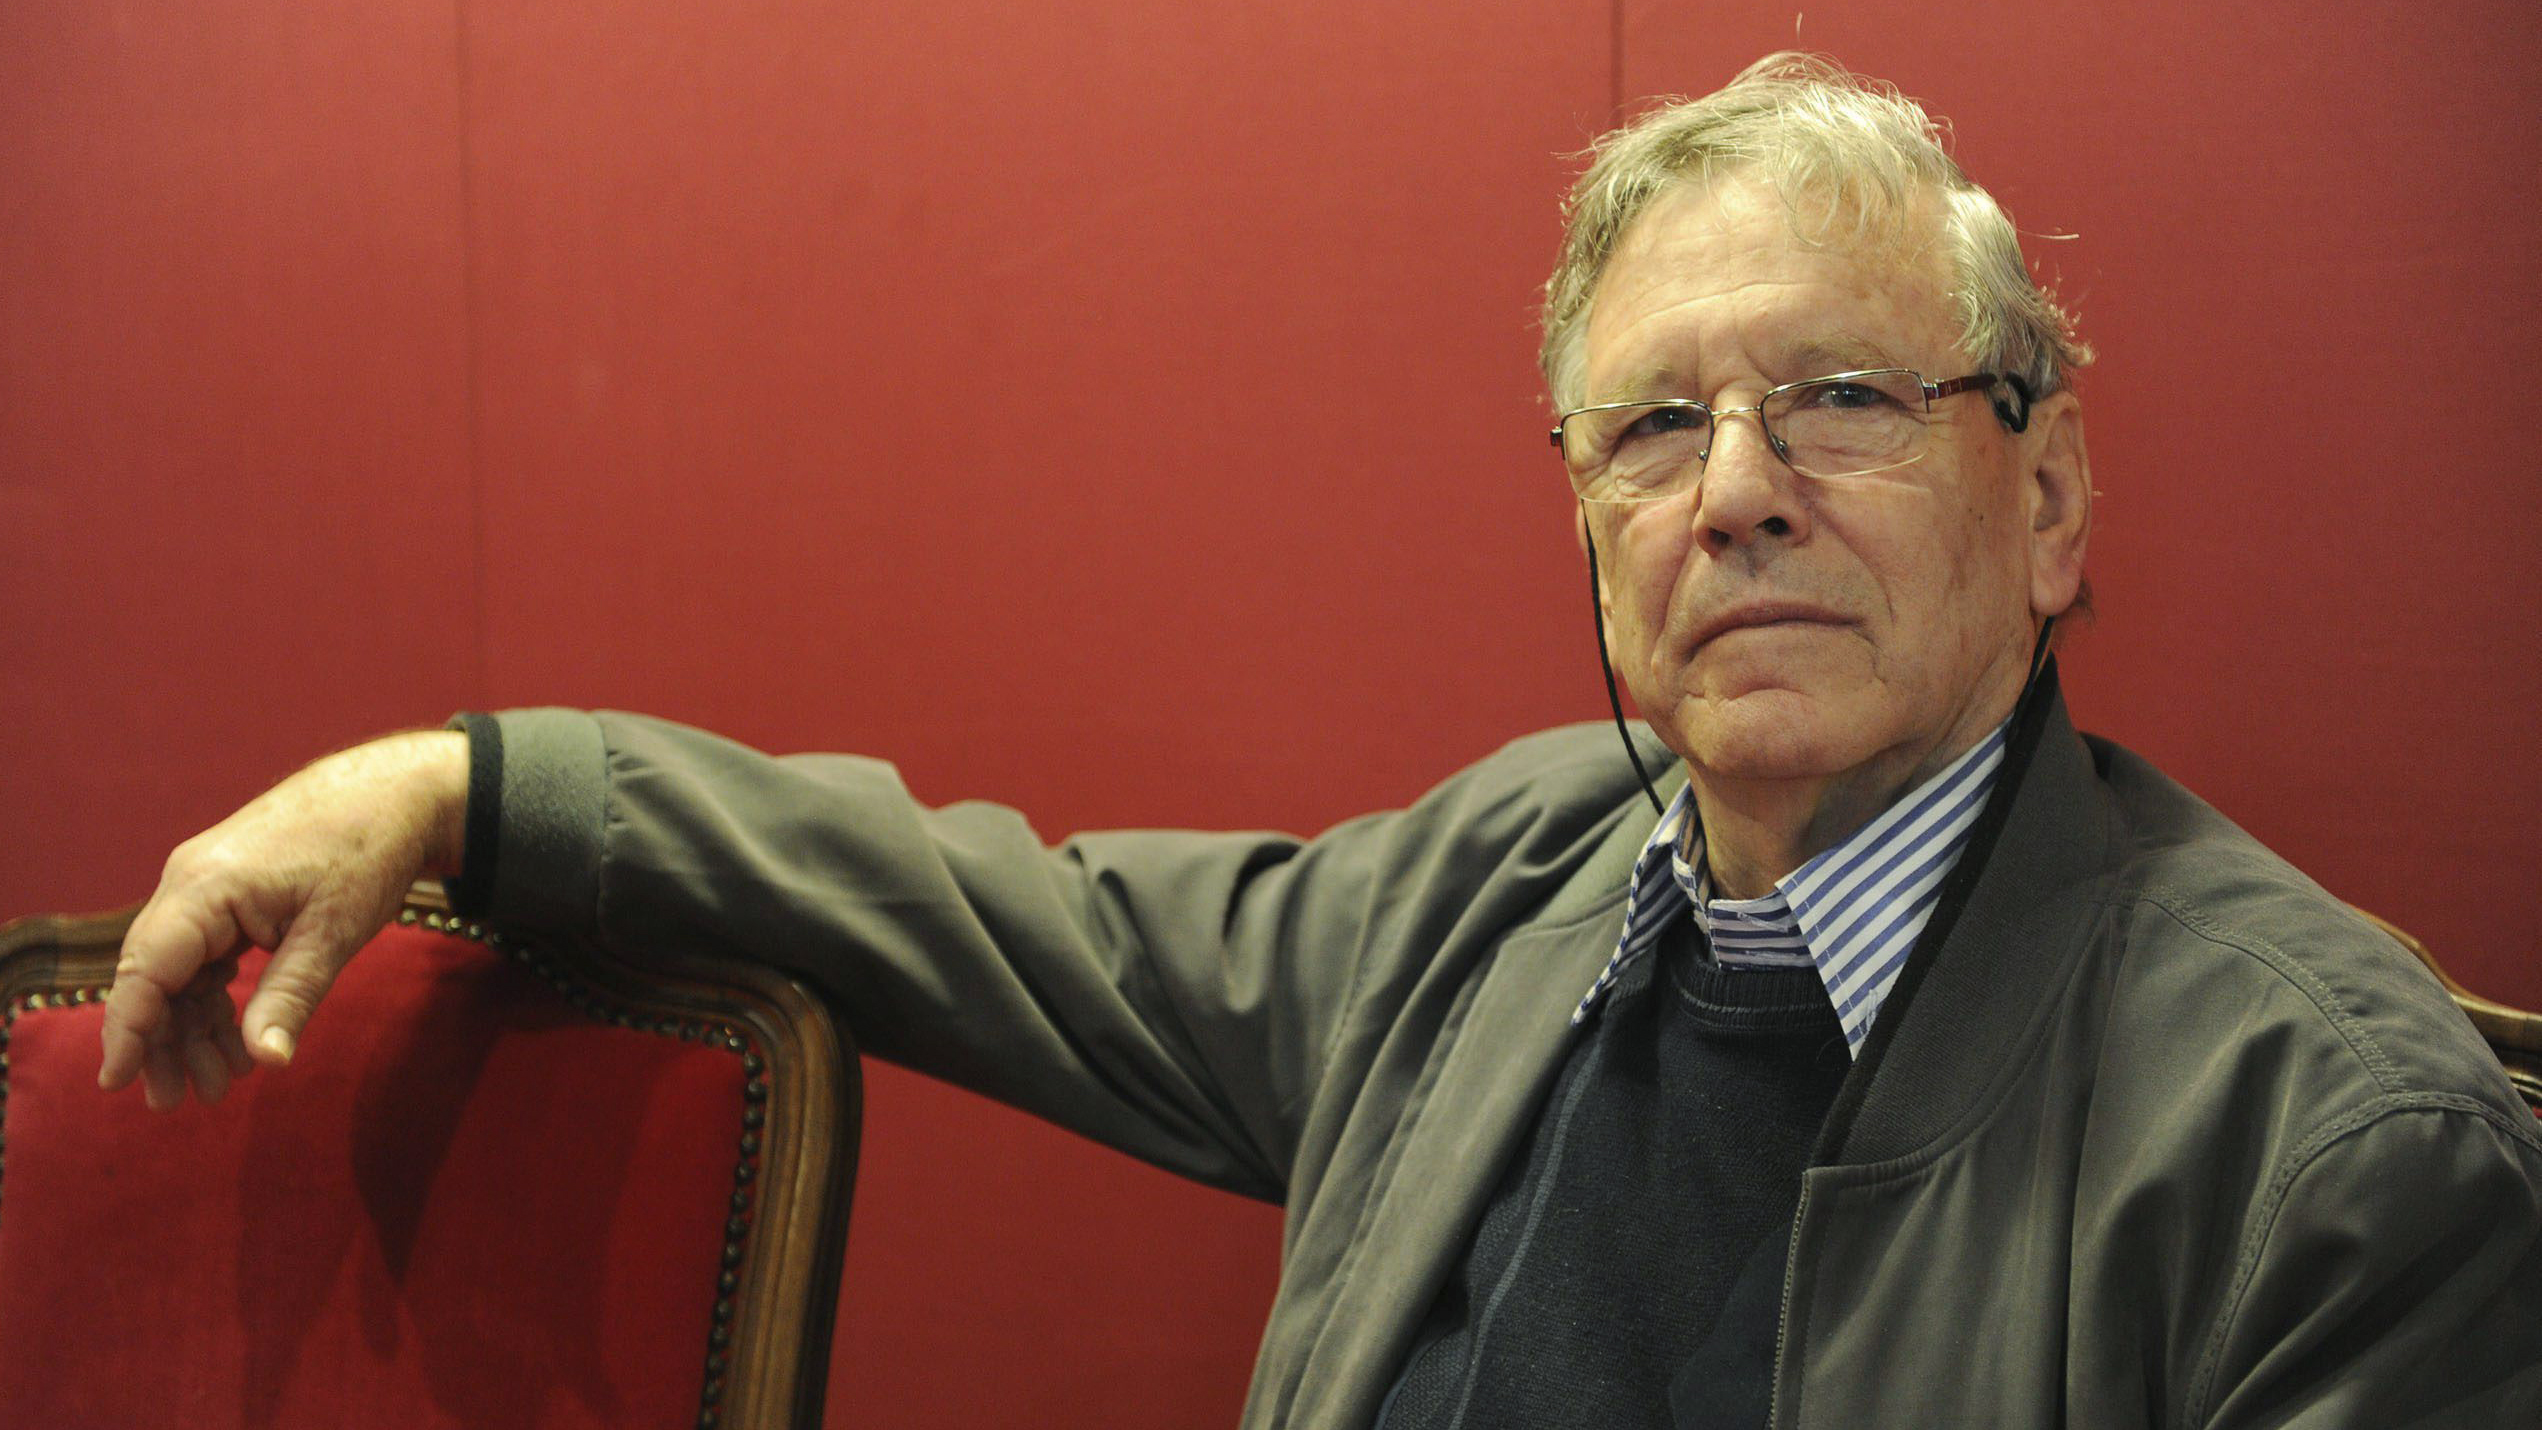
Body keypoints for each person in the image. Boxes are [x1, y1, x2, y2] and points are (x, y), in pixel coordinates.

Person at [96, 53, 2541, 1429]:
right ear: (1588, 524)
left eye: (1839, 397)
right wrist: (458, 782)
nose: (1735, 491)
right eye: (1650, 426)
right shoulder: (1505, 891)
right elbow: (982, 910)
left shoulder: (2331, 1154)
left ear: (2049, 492)